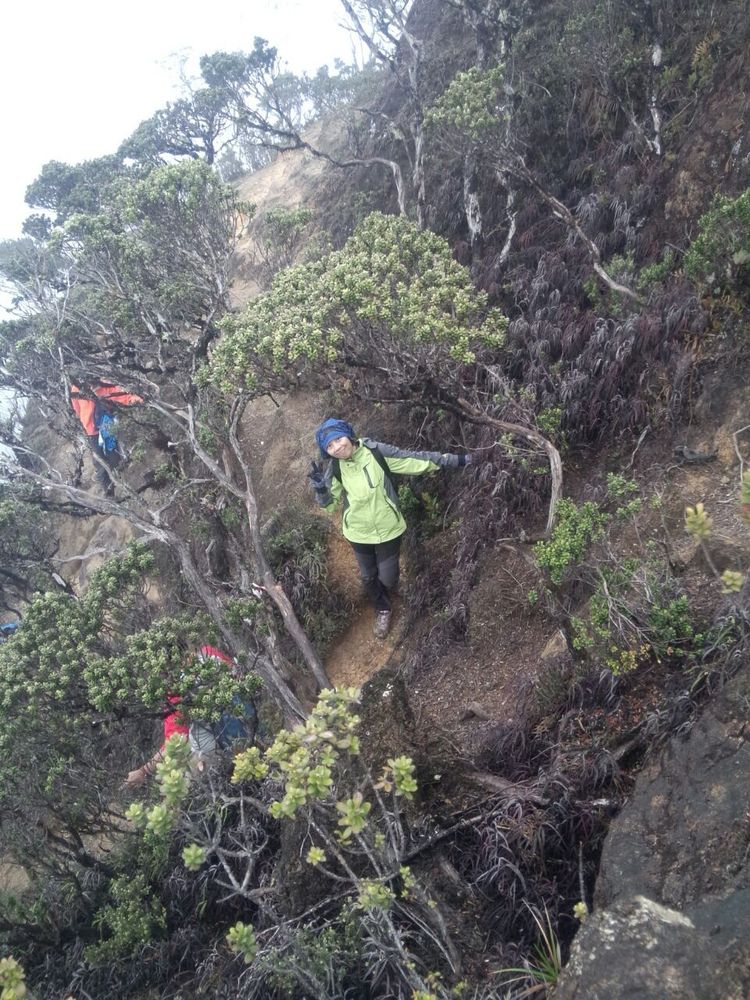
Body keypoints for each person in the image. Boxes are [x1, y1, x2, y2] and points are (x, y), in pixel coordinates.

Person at [308, 418, 473, 639]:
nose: (337, 447)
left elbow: (415, 460)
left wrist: (458, 460)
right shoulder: (335, 468)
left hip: (388, 528)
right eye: (330, 446)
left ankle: (391, 586)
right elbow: (329, 506)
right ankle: (382, 608)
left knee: (387, 577)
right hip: (358, 532)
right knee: (368, 577)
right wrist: (321, 490)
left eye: (338, 439)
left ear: (348, 435)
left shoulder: (376, 453)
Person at [123, 644, 255, 788]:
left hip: (213, 753)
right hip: (251, 729)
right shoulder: (209, 652)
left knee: (184, 790)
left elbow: (177, 740)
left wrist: (143, 771)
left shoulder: (176, 690)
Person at [70, 383, 143, 496]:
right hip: (91, 432)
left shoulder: (103, 385)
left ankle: (120, 486)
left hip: (108, 429)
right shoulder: (76, 389)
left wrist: (139, 400)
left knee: (115, 459)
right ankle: (109, 495)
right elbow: (76, 411)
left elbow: (123, 396)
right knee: (100, 463)